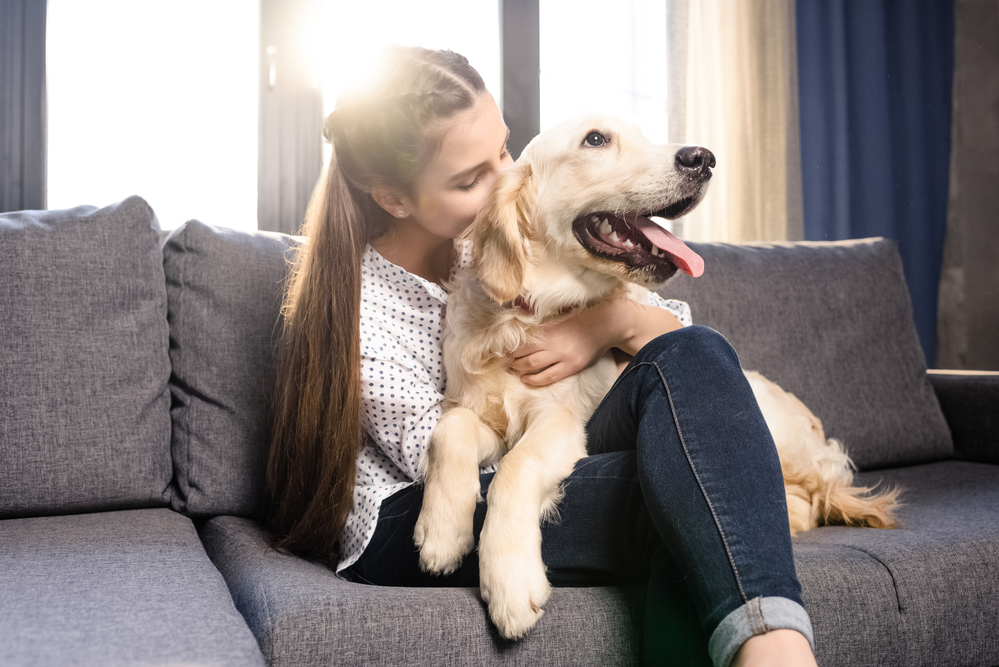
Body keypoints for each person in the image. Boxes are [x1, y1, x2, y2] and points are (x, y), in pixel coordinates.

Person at [266, 45, 819, 667]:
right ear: (394, 198)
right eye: (471, 179)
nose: (509, 179)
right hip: (411, 516)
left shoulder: (504, 245)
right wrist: (510, 466)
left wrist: (605, 322)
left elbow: (684, 353)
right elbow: (438, 458)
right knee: (694, 484)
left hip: (532, 463)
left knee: (697, 368)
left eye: (504, 150)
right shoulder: (360, 301)